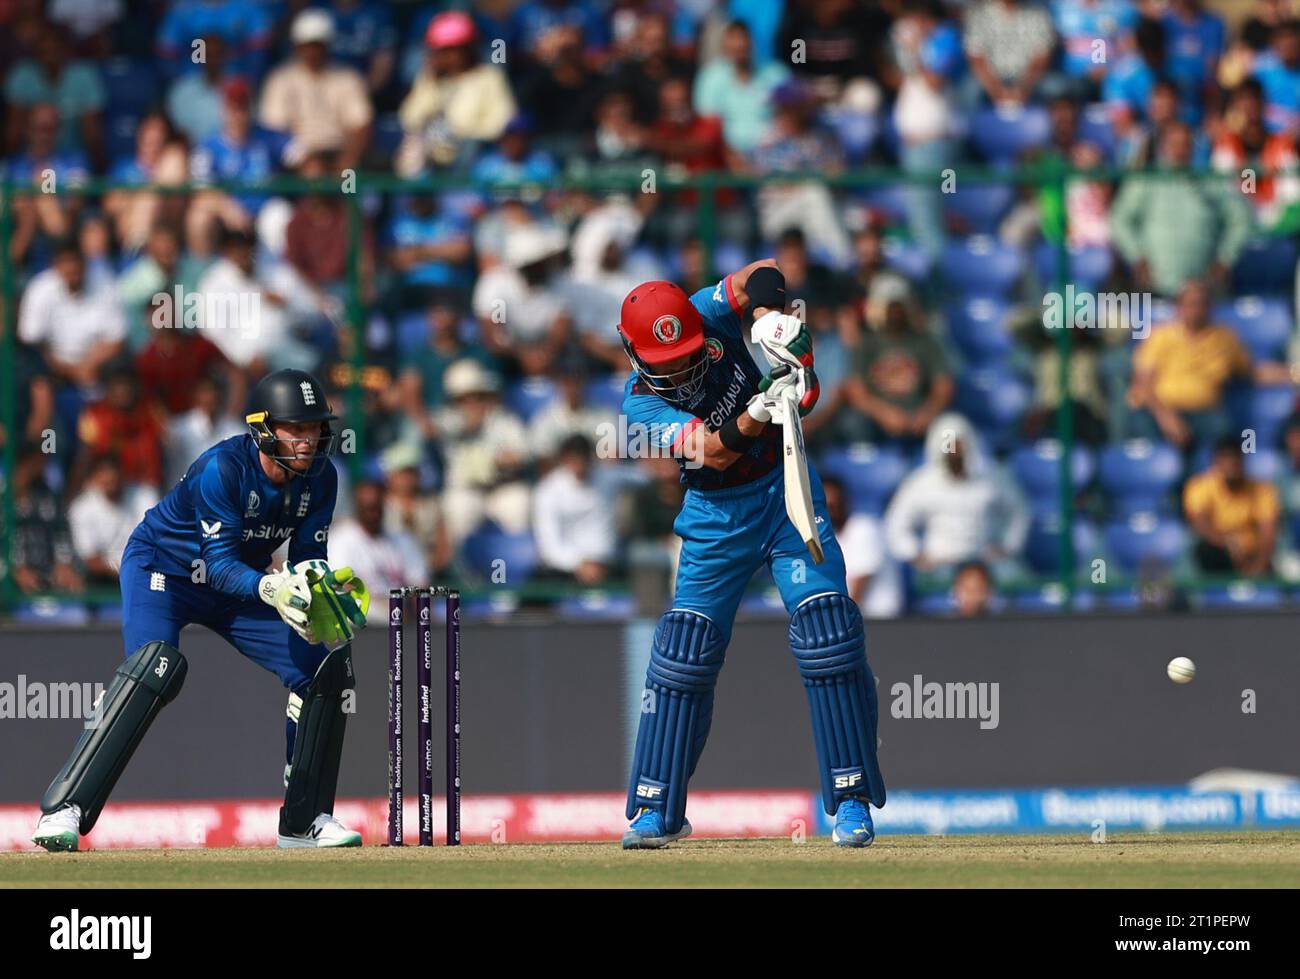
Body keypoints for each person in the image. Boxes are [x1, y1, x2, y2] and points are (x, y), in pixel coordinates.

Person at [32, 369, 370, 852]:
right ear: (263, 429)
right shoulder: (223, 468)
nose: (307, 440)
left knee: (323, 670)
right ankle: (63, 810)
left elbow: (307, 557)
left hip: (243, 581)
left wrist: (317, 592)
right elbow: (219, 565)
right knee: (156, 666)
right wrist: (273, 588)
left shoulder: (323, 478)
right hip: (164, 571)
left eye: (315, 428)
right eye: (295, 428)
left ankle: (303, 823)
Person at [616, 266, 885, 849]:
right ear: (637, 357)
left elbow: (763, 275)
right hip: (716, 519)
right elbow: (711, 453)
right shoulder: (638, 409)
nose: (684, 370)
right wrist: (763, 405)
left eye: (689, 355)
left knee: (828, 631)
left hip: (784, 488)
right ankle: (655, 807)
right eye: (669, 363)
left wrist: (770, 324)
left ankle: (851, 800)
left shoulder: (705, 312)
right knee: (684, 652)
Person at [1184, 437, 1280, 575]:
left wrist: (1258, 567)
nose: (1230, 463)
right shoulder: (1200, 486)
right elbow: (1200, 523)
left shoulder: (1262, 490)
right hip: (1217, 552)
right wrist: (1228, 543)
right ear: (1215, 461)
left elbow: (1268, 533)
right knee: (1200, 550)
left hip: (1252, 554)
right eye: (1225, 458)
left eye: (1235, 457)